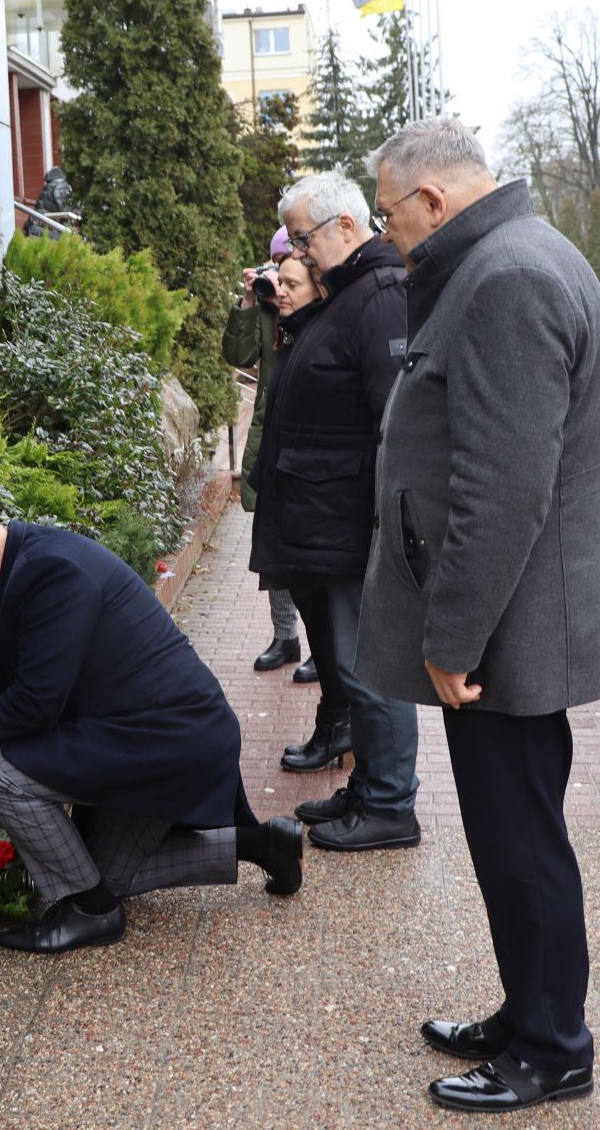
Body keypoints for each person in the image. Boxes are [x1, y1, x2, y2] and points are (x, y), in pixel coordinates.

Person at [355, 118, 600, 1113]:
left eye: (387, 213)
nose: (385, 235)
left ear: (432, 199)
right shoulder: (515, 255)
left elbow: (502, 490)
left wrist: (452, 637)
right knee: (514, 831)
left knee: (520, 841)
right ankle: (529, 1011)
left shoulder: (505, 277)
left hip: (506, 629)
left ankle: (554, 1048)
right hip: (516, 618)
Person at [0, 501, 304, 954]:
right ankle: (264, 844)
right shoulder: (30, 562)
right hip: (145, 739)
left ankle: (91, 912)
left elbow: (33, 706)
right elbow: (3, 683)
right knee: (97, 874)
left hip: (171, 749)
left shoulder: (49, 572)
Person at [249, 171, 420, 848]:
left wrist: (384, 529)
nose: (297, 252)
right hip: (331, 519)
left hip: (354, 524)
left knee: (372, 669)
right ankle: (371, 786)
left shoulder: (379, 296)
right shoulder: (350, 293)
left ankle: (390, 805)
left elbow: (396, 423)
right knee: (353, 666)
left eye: (303, 238)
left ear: (346, 227)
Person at [221, 227, 315, 684]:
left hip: (307, 433)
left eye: (288, 267)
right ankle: (285, 637)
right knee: (273, 544)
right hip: (268, 433)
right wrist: (247, 301)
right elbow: (237, 356)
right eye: (275, 266)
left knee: (310, 550)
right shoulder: (262, 305)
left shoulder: (315, 303)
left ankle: (322, 646)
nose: (280, 278)